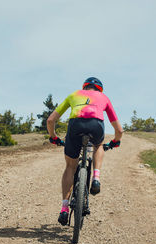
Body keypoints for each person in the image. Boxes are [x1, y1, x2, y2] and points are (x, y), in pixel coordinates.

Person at [47, 77, 124, 226]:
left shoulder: (74, 95)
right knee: (98, 145)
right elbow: (119, 130)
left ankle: (64, 209)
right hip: (96, 125)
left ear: (85, 87)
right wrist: (115, 141)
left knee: (70, 167)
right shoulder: (104, 98)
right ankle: (96, 178)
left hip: (75, 125)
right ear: (99, 89)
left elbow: (50, 120)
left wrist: (53, 137)